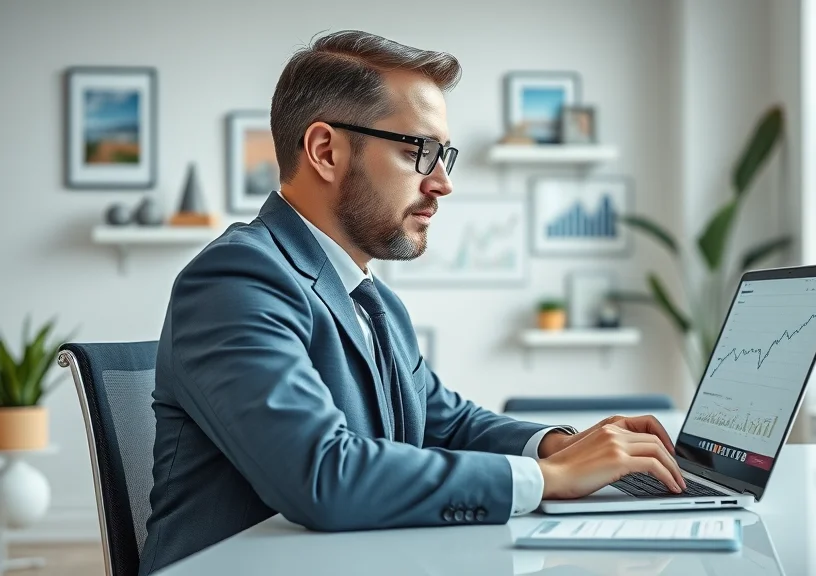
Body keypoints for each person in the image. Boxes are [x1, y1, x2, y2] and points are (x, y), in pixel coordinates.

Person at [139, 30, 684, 575]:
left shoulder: (372, 301)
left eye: (443, 155)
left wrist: (558, 446)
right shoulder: (236, 278)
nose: (443, 183)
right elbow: (322, 475)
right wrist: (548, 481)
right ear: (326, 151)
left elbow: (445, 424)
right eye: (418, 152)